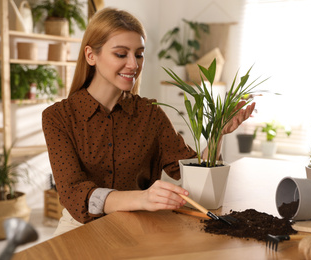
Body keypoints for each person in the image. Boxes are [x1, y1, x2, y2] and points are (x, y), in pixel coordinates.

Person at [42, 7, 255, 236]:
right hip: (79, 227)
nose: (134, 64)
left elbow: (190, 172)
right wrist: (142, 198)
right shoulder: (58, 117)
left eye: (139, 54)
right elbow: (73, 193)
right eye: (121, 54)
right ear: (91, 55)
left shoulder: (150, 113)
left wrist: (217, 133)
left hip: (139, 225)